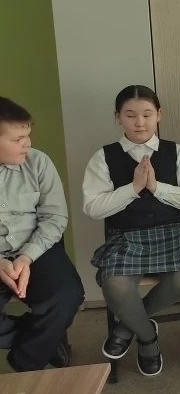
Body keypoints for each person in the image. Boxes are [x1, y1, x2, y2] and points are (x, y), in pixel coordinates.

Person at [83, 85, 180, 376]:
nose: (140, 122)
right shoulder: (103, 157)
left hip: (173, 233)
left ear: (159, 115)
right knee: (115, 284)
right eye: (130, 115)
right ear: (118, 117)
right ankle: (148, 338)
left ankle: (128, 327)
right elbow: (93, 208)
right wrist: (134, 188)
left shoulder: (177, 152)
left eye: (147, 114)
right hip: (125, 236)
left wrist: (155, 187)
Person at [0, 96, 83, 372]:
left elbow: (55, 217)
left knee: (67, 295)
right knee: (47, 327)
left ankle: (26, 363)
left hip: (35, 248)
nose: (28, 144)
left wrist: (25, 258)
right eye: (18, 139)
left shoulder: (38, 162)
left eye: (28, 135)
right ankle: (43, 341)